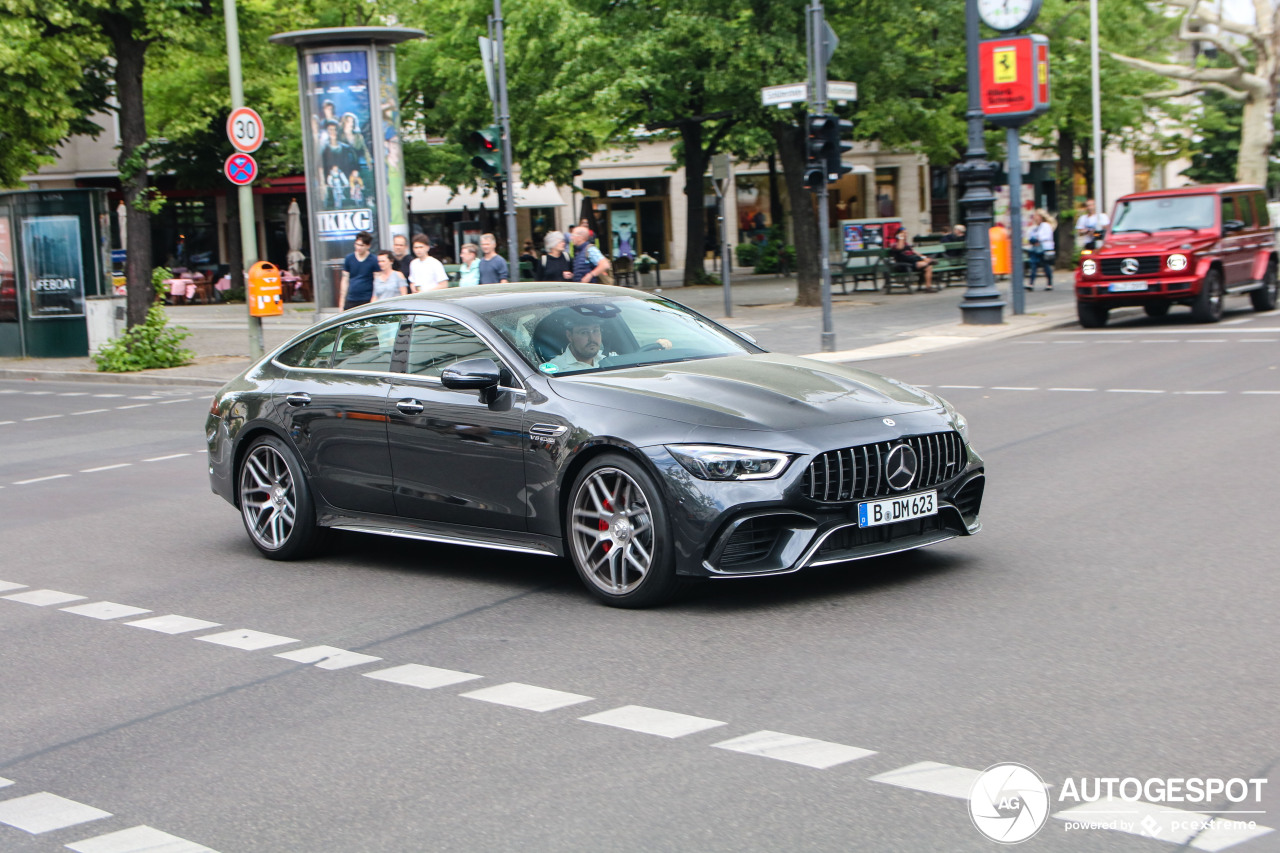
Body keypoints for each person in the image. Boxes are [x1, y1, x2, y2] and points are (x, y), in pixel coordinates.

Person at [338, 231, 377, 310]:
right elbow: (345, 280)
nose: (359, 247)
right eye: (357, 244)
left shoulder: (373, 260)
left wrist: (374, 298)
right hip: (351, 298)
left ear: (368, 246)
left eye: (362, 245)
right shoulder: (349, 258)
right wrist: (341, 302)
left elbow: (377, 281)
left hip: (367, 298)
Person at [1026, 209, 1057, 291]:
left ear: (1040, 217)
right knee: (1033, 266)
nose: (1035, 217)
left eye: (1036, 215)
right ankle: (1031, 283)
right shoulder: (1035, 227)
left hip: (1044, 249)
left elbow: (1046, 236)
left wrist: (1038, 239)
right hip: (1035, 249)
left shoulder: (1046, 225)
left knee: (1046, 266)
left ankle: (1049, 283)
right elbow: (1029, 236)